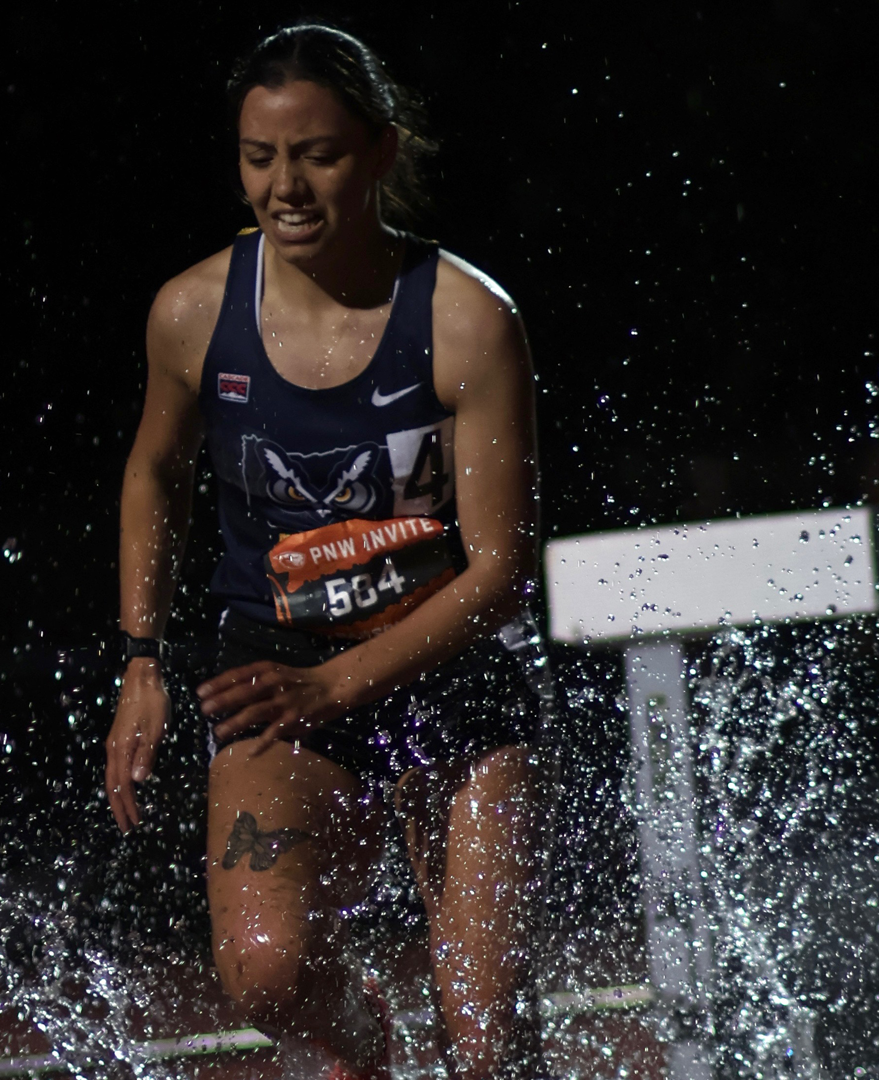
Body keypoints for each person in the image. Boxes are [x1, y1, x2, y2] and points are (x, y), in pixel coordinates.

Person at [105, 24, 548, 1080]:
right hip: (277, 663)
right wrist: (142, 655)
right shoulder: (192, 314)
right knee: (267, 976)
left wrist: (339, 686)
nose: (285, 186)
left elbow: (500, 573)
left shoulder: (469, 323)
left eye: (318, 154)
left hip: (449, 666)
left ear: (383, 152)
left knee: (485, 1043)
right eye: (260, 158)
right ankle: (365, 1048)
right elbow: (154, 474)